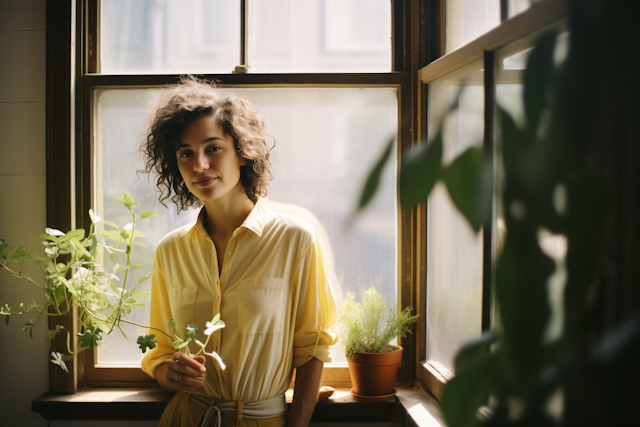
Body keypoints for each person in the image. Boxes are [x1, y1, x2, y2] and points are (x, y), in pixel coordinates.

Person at [140, 77, 338, 427]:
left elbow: (312, 349)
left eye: (213, 148)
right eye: (185, 153)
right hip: (186, 418)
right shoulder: (170, 251)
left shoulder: (295, 240)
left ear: (243, 152)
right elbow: (160, 350)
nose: (199, 164)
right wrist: (166, 371)